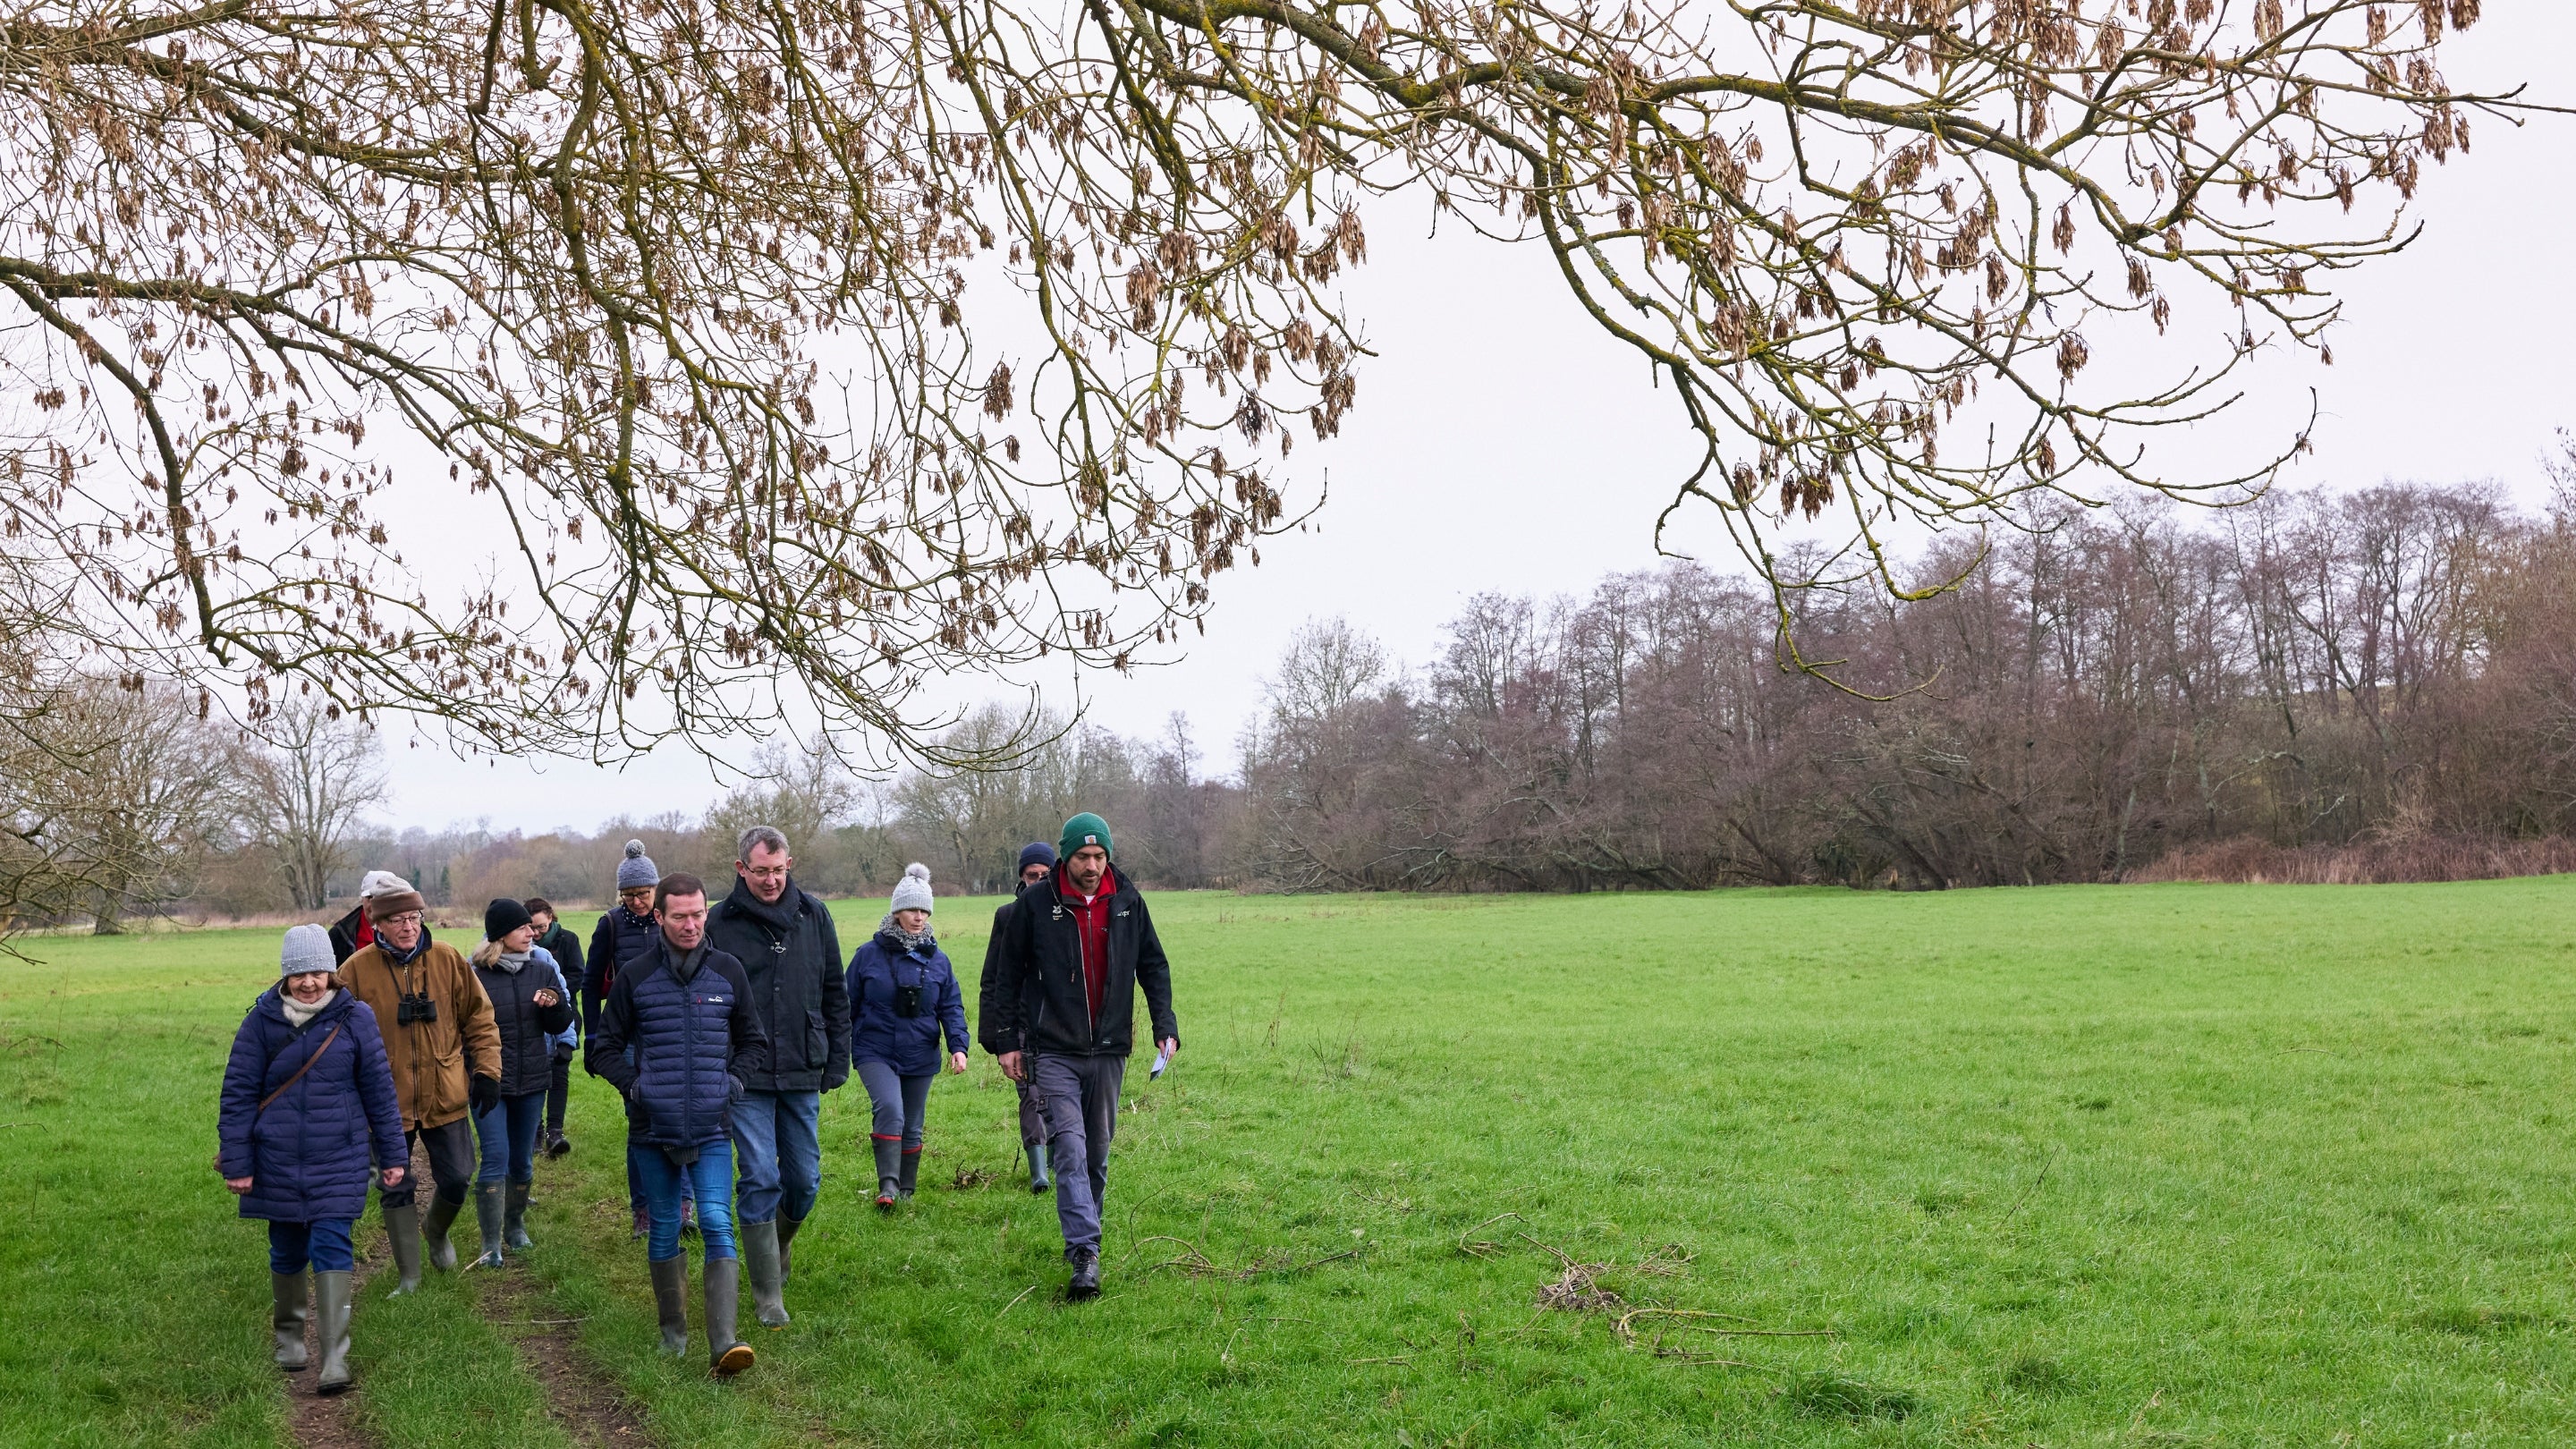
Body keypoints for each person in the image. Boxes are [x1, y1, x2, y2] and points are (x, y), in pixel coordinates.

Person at [984, 813, 1178, 1301]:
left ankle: (1085, 1236)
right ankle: (1085, 1254)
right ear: (1064, 858)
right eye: (1082, 857)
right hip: (1053, 1050)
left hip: (1111, 1050)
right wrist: (1007, 1041)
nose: (1091, 866)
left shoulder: (1129, 902)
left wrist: (1164, 1026)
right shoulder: (1034, 906)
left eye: (1099, 856)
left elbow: (1152, 965)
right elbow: (1005, 976)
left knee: (1096, 1153)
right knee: (1068, 1147)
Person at [587, 872, 767, 1377]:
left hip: (713, 1125)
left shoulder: (728, 972)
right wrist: (636, 1088)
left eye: (698, 914)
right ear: (660, 917)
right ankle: (674, 1336)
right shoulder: (636, 976)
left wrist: (730, 1085)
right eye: (680, 916)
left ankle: (724, 1342)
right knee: (665, 1225)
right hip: (652, 1129)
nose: (691, 924)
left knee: (714, 1219)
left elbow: (754, 1041)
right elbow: (603, 1048)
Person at [218, 925, 410, 1394]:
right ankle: (289, 1341)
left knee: (331, 1245)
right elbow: (238, 1096)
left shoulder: (356, 1017)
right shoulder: (260, 1021)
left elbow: (380, 1092)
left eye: (318, 972)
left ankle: (334, 1358)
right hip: (276, 1160)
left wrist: (393, 1154)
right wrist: (239, 1164)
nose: (309, 982)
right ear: (286, 976)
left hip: (338, 1157)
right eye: (299, 974)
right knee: (285, 1249)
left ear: (331, 971)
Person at [704, 826, 849, 1329]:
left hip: (804, 1063)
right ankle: (768, 1295)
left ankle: (778, 1243)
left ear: (791, 864)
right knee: (761, 1175)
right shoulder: (719, 922)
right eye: (761, 871)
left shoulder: (814, 914)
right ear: (742, 869)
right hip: (744, 1071)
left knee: (804, 1180)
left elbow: (834, 990)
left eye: (779, 869)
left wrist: (837, 1058)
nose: (771, 880)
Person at [338, 883, 503, 1293]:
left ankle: (435, 1229)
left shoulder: (447, 959)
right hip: (385, 1100)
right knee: (395, 1185)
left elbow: (480, 1019)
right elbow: (336, 1036)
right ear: (378, 923)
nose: (408, 927)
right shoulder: (356, 970)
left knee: (458, 1177)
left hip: (444, 1093)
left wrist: (487, 1072)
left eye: (414, 918)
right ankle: (410, 1276)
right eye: (397, 920)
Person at [847, 864, 970, 1210]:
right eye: (912, 909)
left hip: (921, 1052)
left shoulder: (939, 961)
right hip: (875, 1050)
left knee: (913, 1124)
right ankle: (887, 1187)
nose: (919, 917)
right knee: (890, 1109)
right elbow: (845, 1005)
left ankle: (906, 1189)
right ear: (897, 910)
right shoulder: (866, 956)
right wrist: (834, 1050)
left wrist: (958, 1047)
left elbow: (952, 1007)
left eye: (924, 910)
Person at [468, 898, 575, 1267]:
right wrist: (475, 1074)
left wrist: (555, 1007)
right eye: (523, 928)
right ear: (501, 935)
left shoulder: (541, 970)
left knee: (523, 1162)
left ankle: (514, 1225)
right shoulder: (475, 977)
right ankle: (490, 1243)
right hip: (488, 1084)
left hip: (532, 1080)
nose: (532, 933)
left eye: (532, 928)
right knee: (494, 1158)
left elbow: (559, 1024)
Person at [586, 839, 677, 1237]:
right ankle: (643, 1210)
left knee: (682, 1116)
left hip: (673, 1032)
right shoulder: (609, 924)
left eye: (643, 893)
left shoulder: (672, 920)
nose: (637, 902)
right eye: (629, 895)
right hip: (627, 1035)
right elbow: (590, 985)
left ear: (656, 890)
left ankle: (683, 1205)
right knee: (639, 1120)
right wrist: (592, 1038)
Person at [978, 843, 1059, 1193]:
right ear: (1021, 878)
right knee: (1031, 1094)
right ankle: (1038, 1169)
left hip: (1060, 1024)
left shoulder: (1065, 915)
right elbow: (992, 978)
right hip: (1021, 1022)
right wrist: (994, 1035)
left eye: (1045, 875)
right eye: (1032, 876)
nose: (1039, 881)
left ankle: (1060, 1160)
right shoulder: (1008, 916)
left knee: (1059, 1095)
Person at [526, 898, 588, 1158]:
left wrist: (554, 993)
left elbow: (578, 975)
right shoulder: (524, 947)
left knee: (559, 1072)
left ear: (551, 917)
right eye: (532, 928)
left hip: (563, 1013)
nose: (537, 933)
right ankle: (535, 1129)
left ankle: (555, 1130)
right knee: (533, 1073)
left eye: (540, 927)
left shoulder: (568, 940)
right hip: (531, 1016)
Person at [326, 869, 416, 965]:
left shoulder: (411, 932)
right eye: (370, 897)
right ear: (362, 899)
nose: (375, 904)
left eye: (382, 898)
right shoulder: (339, 935)